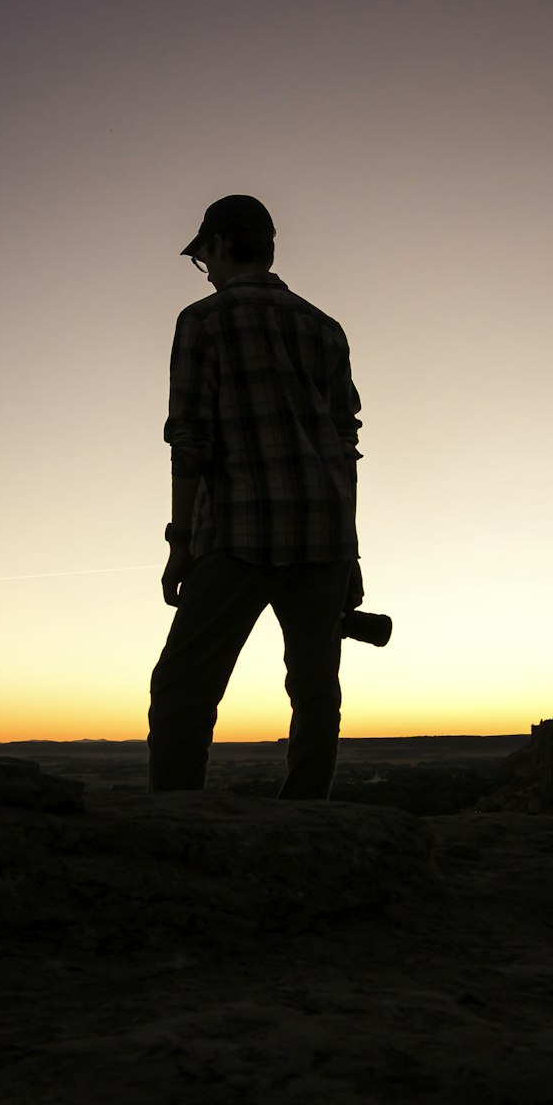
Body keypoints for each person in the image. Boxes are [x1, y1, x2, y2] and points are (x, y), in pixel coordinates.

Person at [148, 194, 365, 799]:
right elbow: (344, 448)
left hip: (238, 532)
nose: (207, 270)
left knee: (183, 688)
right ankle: (307, 822)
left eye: (204, 257)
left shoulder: (203, 320)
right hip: (323, 534)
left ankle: (174, 821)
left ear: (218, 245)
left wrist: (180, 541)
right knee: (316, 691)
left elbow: (189, 436)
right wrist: (350, 554)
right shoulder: (326, 329)